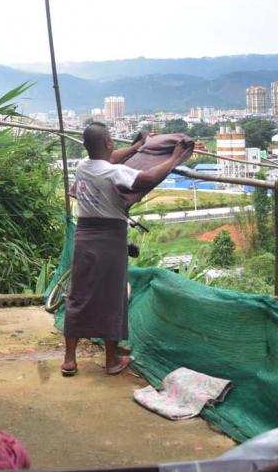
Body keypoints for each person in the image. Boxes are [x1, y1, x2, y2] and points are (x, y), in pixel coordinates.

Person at [61, 123, 191, 376]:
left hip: (84, 237)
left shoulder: (82, 166)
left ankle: (69, 359)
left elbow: (109, 158)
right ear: (109, 143)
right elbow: (148, 178)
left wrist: (136, 147)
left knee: (78, 294)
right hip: (110, 238)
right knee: (113, 296)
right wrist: (174, 157)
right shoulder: (113, 173)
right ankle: (111, 361)